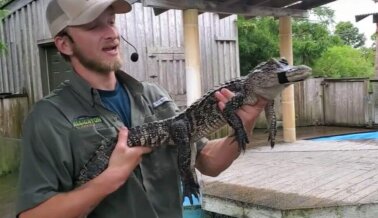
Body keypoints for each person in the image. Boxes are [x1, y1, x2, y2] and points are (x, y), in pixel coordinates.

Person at [16, 0, 267, 217]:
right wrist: (110, 178)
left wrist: (245, 121)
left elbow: (209, 162)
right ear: (64, 44)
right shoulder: (48, 118)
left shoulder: (153, 95)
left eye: (111, 21)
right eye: (94, 26)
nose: (111, 33)